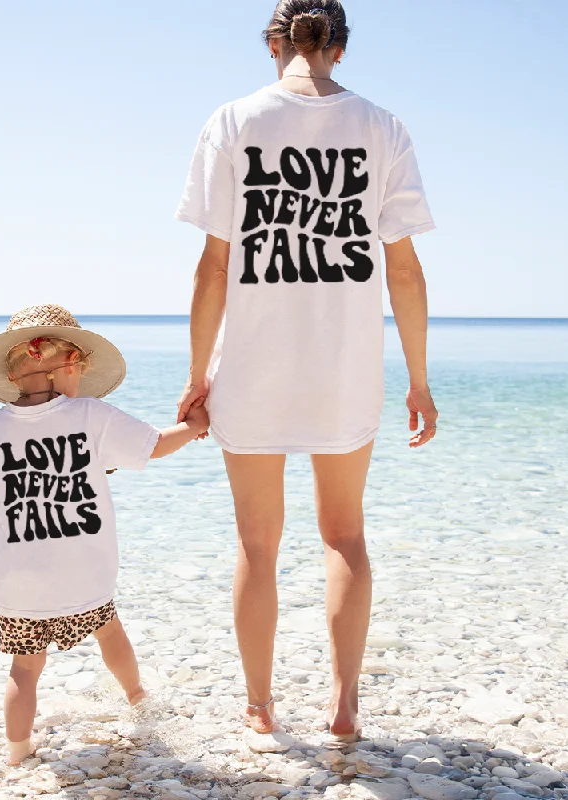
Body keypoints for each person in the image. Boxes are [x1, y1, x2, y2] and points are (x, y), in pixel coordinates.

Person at [175, 0, 438, 743]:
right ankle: (345, 706)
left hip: (252, 369)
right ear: (339, 51)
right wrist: (418, 380)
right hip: (343, 369)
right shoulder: (382, 128)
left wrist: (199, 374)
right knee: (344, 536)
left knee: (258, 545)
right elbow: (406, 272)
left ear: (273, 43)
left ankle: (259, 707)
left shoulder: (230, 122)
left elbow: (213, 268)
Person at [0, 304, 209, 765]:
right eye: (81, 371)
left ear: (14, 376)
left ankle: (17, 754)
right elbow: (154, 445)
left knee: (24, 669)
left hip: (19, 587)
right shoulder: (90, 414)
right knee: (110, 633)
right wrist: (194, 426)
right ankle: (137, 698)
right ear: (69, 365)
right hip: (83, 577)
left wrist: (15, 479)